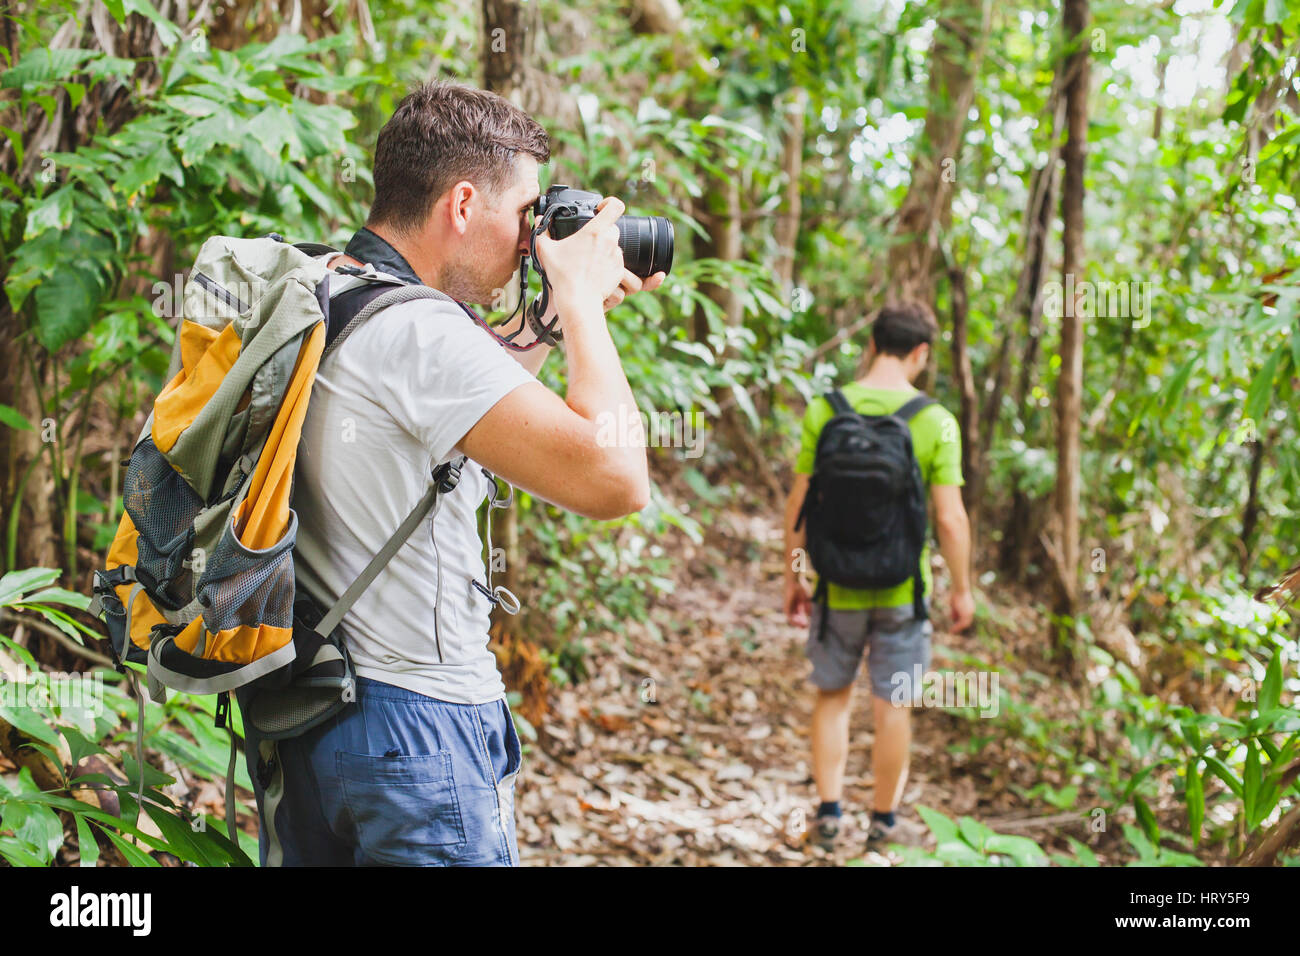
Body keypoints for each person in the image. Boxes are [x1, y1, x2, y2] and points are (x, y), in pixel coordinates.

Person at [240, 81, 664, 866]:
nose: (533, 239)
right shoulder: (420, 333)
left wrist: (544, 320)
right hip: (419, 731)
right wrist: (579, 305)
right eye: (526, 214)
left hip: (311, 714)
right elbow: (617, 480)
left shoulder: (330, 288)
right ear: (464, 204)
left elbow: (459, 392)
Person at [782, 301, 974, 853]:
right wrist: (962, 590)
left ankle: (828, 816)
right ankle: (883, 827)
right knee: (895, 704)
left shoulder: (826, 409)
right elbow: (951, 518)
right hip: (902, 591)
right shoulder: (936, 421)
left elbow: (799, 501)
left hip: (836, 583)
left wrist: (794, 574)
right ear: (921, 353)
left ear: (871, 345)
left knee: (833, 694)